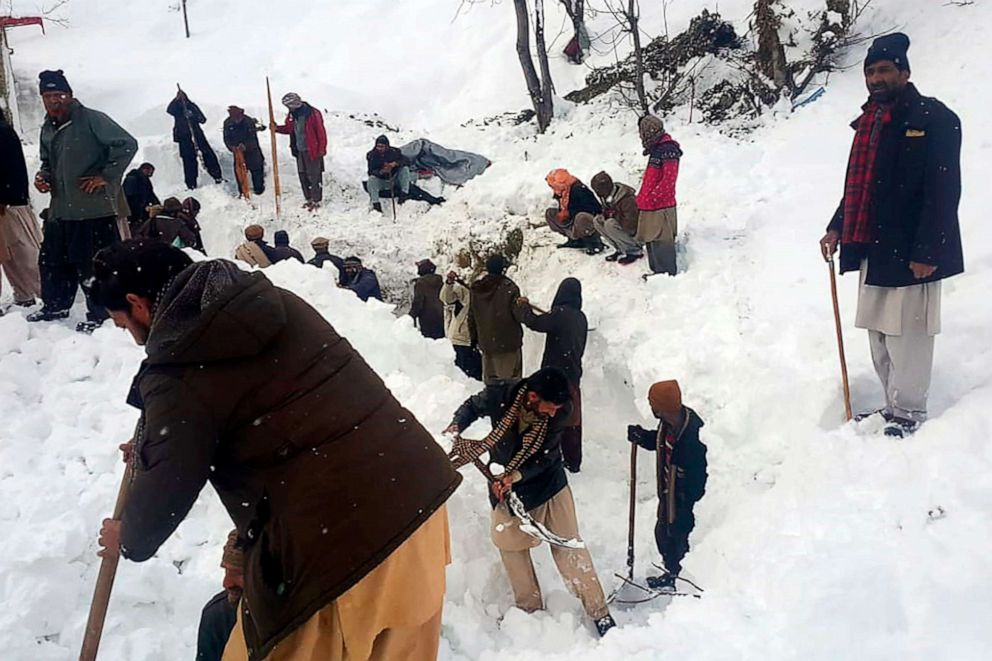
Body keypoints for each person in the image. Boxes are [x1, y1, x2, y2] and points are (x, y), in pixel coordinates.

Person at [92, 240, 461, 661]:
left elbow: (167, 488)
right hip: (418, 501)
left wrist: (128, 535)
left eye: (122, 324)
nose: (131, 338)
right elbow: (257, 402)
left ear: (137, 303)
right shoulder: (270, 302)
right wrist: (159, 441)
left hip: (339, 546)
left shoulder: (178, 368)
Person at [819, 33, 963, 438]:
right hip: (872, 244)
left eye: (884, 70)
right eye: (870, 71)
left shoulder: (934, 118)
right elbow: (858, 187)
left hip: (912, 250)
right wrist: (837, 227)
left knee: (908, 334)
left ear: (905, 71)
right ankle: (891, 405)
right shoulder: (869, 122)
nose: (876, 78)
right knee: (879, 332)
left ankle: (910, 411)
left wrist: (929, 250)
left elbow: (944, 190)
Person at [446, 368, 616, 637]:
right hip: (504, 485)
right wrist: (457, 424)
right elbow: (471, 406)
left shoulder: (561, 411)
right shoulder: (500, 394)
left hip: (548, 485)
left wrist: (515, 475)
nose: (553, 412)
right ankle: (529, 609)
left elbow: (547, 457)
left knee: (569, 547)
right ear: (533, 397)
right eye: (549, 407)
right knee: (510, 547)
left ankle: (599, 612)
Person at [29, 69, 138, 332]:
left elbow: (127, 144)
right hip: (60, 210)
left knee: (94, 266)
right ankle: (55, 305)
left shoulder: (91, 119)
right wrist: (43, 176)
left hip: (93, 210)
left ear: (70, 95)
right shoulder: (48, 126)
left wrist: (106, 176)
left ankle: (102, 314)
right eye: (48, 96)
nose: (54, 101)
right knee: (53, 261)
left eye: (59, 94)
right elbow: (47, 160)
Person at [626, 380, 707, 589]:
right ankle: (672, 574)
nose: (651, 408)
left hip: (685, 500)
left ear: (660, 407)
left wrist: (686, 507)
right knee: (663, 534)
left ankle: (685, 580)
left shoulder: (693, 433)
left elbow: (698, 476)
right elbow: (661, 442)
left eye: (652, 404)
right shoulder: (669, 423)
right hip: (668, 494)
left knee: (681, 538)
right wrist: (642, 437)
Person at [515, 278, 587, 473]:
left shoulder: (559, 314)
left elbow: (535, 323)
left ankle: (549, 455)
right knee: (572, 420)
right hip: (572, 374)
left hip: (554, 378)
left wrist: (523, 308)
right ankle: (573, 460)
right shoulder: (581, 317)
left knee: (549, 417)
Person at [0, 111, 42, 310]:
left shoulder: (3, 133)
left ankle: (43, 292)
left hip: (10, 204)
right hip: (10, 201)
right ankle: (25, 294)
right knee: (11, 255)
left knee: (22, 251)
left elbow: (8, 169)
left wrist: (4, 197)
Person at [636, 115, 682, 276]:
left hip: (660, 204)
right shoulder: (657, 149)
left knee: (662, 240)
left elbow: (669, 179)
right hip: (651, 204)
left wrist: (653, 197)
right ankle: (657, 271)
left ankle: (666, 273)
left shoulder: (668, 150)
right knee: (652, 239)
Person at [467, 254, 524, 383]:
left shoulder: (477, 288)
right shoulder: (510, 288)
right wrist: (523, 306)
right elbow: (519, 315)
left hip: (486, 344)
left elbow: (471, 316)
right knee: (511, 386)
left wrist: (474, 339)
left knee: (491, 385)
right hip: (508, 344)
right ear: (503, 269)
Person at [273, 93, 327, 211]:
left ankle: (316, 200)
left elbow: (321, 132)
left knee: (314, 176)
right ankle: (308, 198)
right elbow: (289, 129)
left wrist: (321, 149)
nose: (288, 108)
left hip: (312, 150)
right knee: (303, 175)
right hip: (299, 150)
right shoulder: (292, 115)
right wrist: (276, 128)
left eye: (289, 106)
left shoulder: (312, 113)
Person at [195, 531, 243, 661]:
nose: (226, 583)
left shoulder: (298, 611)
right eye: (226, 571)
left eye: (238, 573)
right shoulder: (218, 617)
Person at [167, 89, 223, 189]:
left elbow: (202, 119)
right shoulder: (177, 108)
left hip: (197, 134)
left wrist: (193, 115)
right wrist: (176, 100)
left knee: (208, 154)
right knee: (188, 160)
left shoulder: (192, 106)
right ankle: (191, 184)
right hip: (184, 137)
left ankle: (217, 176)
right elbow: (169, 110)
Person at [544, 169, 605, 255]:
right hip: (573, 220)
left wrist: (569, 213)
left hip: (592, 222)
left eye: (553, 186)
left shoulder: (579, 190)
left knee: (581, 218)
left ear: (560, 184)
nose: (552, 188)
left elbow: (593, 209)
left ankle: (594, 242)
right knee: (550, 213)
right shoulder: (562, 191)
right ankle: (574, 240)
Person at [590, 171, 643, 265]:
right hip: (620, 226)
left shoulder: (627, 199)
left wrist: (613, 216)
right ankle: (620, 248)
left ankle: (634, 251)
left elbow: (632, 225)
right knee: (597, 221)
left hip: (637, 233)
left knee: (610, 224)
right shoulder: (606, 196)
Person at [440, 270, 482, 380]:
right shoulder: (465, 292)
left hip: (478, 340)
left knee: (476, 375)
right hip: (461, 338)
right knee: (462, 375)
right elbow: (446, 298)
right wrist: (449, 283)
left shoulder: (487, 297)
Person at [222, 105, 266, 196]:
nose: (236, 120)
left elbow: (253, 139)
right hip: (237, 152)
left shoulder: (248, 121)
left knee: (257, 168)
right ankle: (242, 191)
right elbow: (226, 139)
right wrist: (231, 147)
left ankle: (259, 190)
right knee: (239, 171)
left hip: (252, 151)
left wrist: (245, 146)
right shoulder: (227, 123)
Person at [366, 135, 411, 213]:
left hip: (394, 178)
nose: (379, 149)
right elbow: (371, 172)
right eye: (378, 146)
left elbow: (406, 161)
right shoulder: (371, 155)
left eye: (382, 147)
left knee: (405, 169)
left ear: (387, 146)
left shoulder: (394, 152)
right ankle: (376, 204)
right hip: (382, 181)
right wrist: (382, 171)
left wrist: (395, 163)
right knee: (371, 180)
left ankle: (404, 194)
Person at [409, 259, 445, 339]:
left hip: (427, 320)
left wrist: (411, 316)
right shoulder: (440, 281)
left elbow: (418, 302)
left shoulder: (420, 284)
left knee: (429, 345)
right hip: (441, 317)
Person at [122, 162, 160, 235]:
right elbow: (129, 196)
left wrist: (157, 204)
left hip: (141, 209)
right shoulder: (132, 179)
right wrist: (140, 207)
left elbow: (150, 193)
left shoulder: (145, 179)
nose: (151, 174)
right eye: (150, 172)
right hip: (133, 210)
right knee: (135, 227)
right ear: (145, 169)